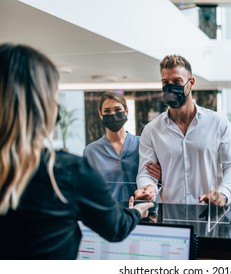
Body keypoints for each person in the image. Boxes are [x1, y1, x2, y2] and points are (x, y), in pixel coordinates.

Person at [0, 43, 153, 259]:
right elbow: (115, 228)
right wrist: (138, 211)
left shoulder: (139, 144)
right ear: (44, 105)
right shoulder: (65, 171)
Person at [135, 54, 231, 206]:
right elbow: (146, 172)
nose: (170, 86)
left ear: (191, 82)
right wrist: (148, 188)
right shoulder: (152, 130)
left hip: (209, 211)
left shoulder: (218, 122)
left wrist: (224, 194)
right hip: (170, 213)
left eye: (177, 81)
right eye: (165, 82)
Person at [83, 91, 161, 205]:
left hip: (142, 213)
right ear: (100, 114)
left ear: (126, 111)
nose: (113, 114)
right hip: (108, 216)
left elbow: (156, 179)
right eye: (107, 111)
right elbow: (87, 189)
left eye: (117, 110)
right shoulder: (91, 152)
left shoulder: (143, 144)